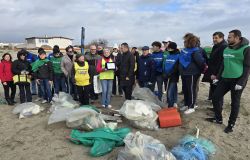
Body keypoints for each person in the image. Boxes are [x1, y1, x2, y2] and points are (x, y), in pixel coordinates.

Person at [206, 30, 250, 133]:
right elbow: (223, 64)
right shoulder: (226, 49)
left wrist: (241, 82)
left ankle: (231, 124)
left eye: (230, 37)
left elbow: (247, 67)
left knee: (234, 103)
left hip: (237, 80)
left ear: (237, 38)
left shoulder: (246, 49)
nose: (228, 39)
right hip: (225, 78)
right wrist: (217, 77)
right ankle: (218, 119)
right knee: (215, 97)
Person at [179, 33, 205, 114]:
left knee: (191, 90)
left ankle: (192, 106)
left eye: (185, 41)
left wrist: (198, 71)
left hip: (192, 73)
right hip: (185, 73)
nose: (184, 42)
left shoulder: (195, 51)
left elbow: (201, 62)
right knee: (186, 89)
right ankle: (187, 104)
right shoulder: (185, 50)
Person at [202, 32, 227, 101]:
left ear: (221, 38)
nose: (214, 39)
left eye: (216, 38)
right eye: (213, 38)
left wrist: (216, 74)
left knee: (217, 90)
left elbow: (220, 62)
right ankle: (213, 102)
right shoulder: (216, 46)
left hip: (217, 73)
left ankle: (217, 108)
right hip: (213, 72)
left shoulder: (224, 47)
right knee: (213, 87)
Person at [163, 42, 179, 108]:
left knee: (169, 92)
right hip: (167, 75)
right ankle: (172, 104)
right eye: (168, 48)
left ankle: (171, 105)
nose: (168, 50)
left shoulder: (178, 55)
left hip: (173, 76)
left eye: (170, 49)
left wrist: (170, 73)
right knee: (171, 91)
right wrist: (165, 73)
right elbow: (166, 64)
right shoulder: (169, 55)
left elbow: (176, 67)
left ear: (173, 48)